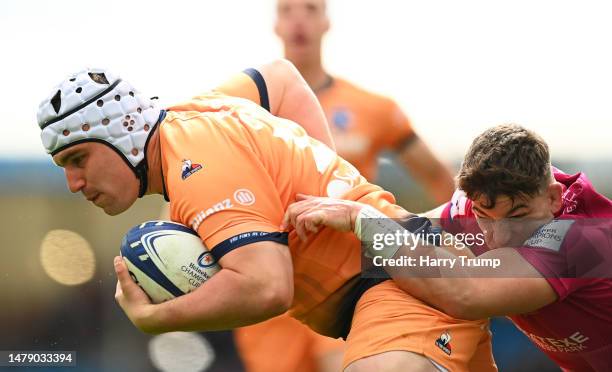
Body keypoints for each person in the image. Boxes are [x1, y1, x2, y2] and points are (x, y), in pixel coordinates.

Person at [37, 60, 496, 371]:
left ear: (124, 134)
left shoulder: (195, 168)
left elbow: (268, 287)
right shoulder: (190, 114)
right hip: (399, 278)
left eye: (78, 159)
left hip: (393, 290)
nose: (74, 183)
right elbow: (279, 78)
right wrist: (323, 179)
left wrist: (158, 319)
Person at [281, 124, 612, 371]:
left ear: (553, 197)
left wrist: (363, 220)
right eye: (484, 217)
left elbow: (467, 292)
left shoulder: (583, 238)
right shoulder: (473, 206)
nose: (496, 238)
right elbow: (415, 237)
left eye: (518, 217)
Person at [235, 1, 455, 370]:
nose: (299, 19)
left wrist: (461, 246)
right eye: (288, 10)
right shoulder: (243, 111)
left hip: (348, 282)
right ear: (276, 24)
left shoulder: (373, 108)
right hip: (271, 281)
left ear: (326, 22)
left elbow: (437, 177)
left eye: (310, 8)